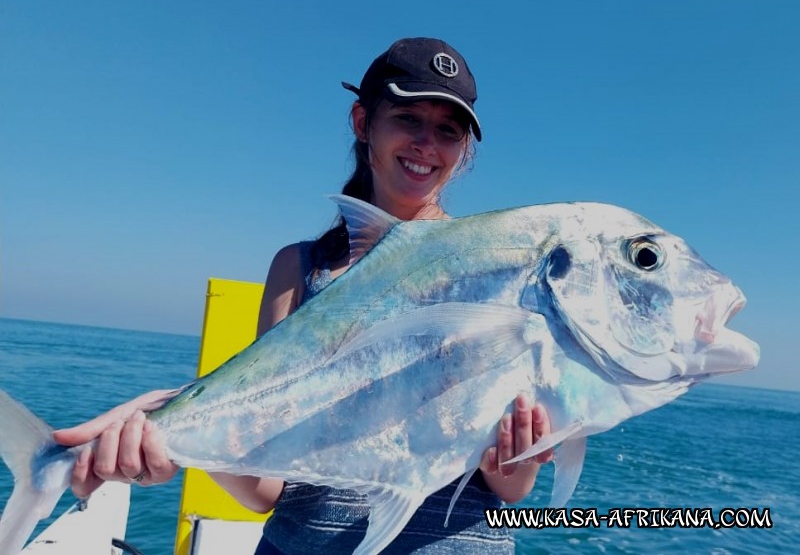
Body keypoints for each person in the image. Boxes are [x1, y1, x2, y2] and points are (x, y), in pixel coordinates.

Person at [54, 37, 554, 553]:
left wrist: (517, 459)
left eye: (448, 131)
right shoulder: (299, 268)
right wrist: (177, 446)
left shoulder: (499, 270)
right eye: (407, 118)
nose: (427, 143)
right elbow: (264, 489)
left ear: (463, 152)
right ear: (363, 123)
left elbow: (511, 490)